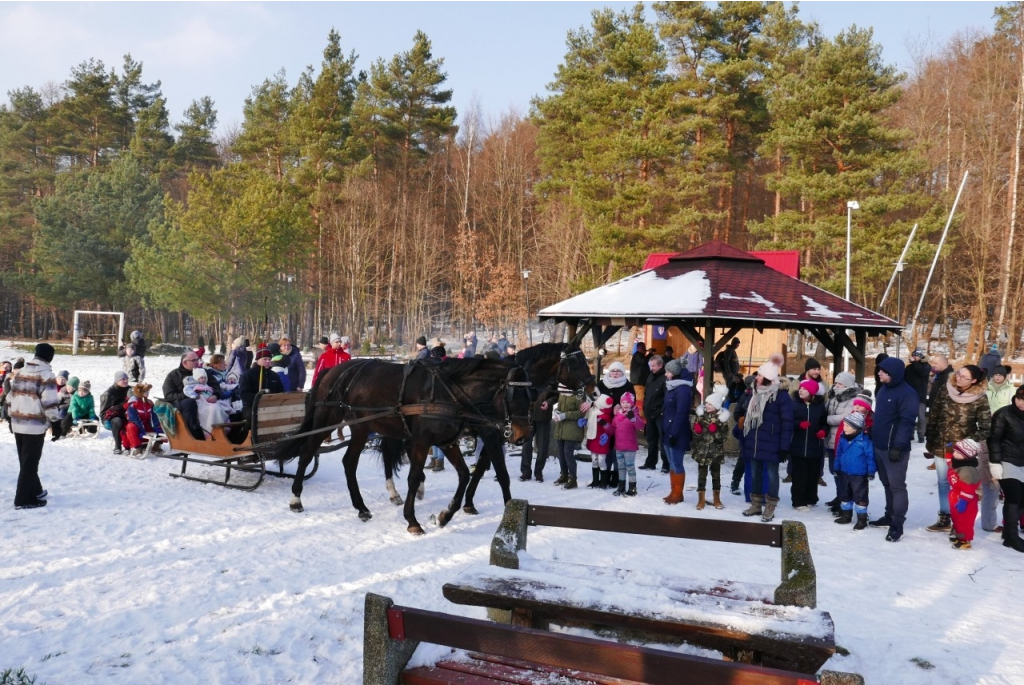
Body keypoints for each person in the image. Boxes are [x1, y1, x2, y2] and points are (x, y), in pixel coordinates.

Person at [924, 364, 991, 535]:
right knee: (943, 482)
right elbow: (935, 414)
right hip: (941, 444)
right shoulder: (946, 389)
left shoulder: (980, 398)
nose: (959, 378)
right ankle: (944, 517)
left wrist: (968, 444)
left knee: (960, 486)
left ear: (974, 381)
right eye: (959, 374)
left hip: (962, 452)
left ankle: (958, 521)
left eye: (964, 377)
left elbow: (985, 427)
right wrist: (930, 438)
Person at [869, 357, 921, 542]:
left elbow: (907, 422)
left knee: (897, 486)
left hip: (895, 449)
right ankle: (889, 515)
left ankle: (897, 524)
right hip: (879, 445)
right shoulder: (883, 390)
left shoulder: (908, 394)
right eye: (879, 370)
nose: (879, 373)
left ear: (894, 374)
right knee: (886, 484)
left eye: (883, 371)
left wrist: (898, 447)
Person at [739, 353, 792, 522]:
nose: (757, 378)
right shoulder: (755, 393)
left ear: (769, 378)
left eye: (760, 375)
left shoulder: (781, 396)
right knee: (755, 473)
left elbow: (787, 422)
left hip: (772, 442)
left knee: (771, 474)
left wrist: (784, 446)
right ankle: (756, 504)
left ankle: (770, 506)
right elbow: (747, 415)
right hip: (754, 441)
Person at [8, 343, 61, 509]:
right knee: (30, 463)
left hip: (18, 422)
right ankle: (23, 500)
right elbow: (50, 403)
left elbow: (10, 397)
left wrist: (10, 418)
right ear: (49, 357)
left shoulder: (21, 372)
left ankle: (36, 490)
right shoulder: (46, 375)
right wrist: (56, 423)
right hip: (34, 425)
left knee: (26, 461)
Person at [988, 385, 1024, 552]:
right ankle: (1011, 536)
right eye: (1019, 398)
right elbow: (994, 439)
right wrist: (995, 462)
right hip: (1007, 459)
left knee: (1021, 498)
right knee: (1014, 496)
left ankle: (1009, 532)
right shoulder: (1004, 414)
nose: (1021, 403)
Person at [593, 361, 634, 487]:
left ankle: (616, 476)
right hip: (603, 421)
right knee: (603, 448)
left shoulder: (628, 385)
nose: (615, 374)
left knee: (616, 448)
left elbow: (631, 401)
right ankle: (602, 476)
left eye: (618, 371)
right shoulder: (601, 384)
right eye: (613, 371)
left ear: (622, 373)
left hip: (619, 421)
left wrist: (620, 406)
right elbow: (594, 398)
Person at [833, 412, 876, 530]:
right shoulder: (842, 438)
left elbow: (870, 457)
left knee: (860, 495)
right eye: (844, 425)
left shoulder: (864, 440)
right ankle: (846, 516)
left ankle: (862, 519)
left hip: (859, 474)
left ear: (856, 428)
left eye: (847, 426)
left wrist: (871, 471)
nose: (844, 428)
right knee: (845, 494)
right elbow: (838, 454)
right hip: (844, 472)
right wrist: (836, 467)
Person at [824, 372, 860, 513]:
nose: (836, 385)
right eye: (836, 383)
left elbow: (846, 417)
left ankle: (844, 498)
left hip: (841, 439)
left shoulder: (852, 398)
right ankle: (839, 496)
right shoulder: (833, 395)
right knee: (834, 470)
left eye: (840, 384)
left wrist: (827, 419)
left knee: (842, 472)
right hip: (831, 439)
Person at [790, 379, 827, 511]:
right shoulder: (793, 404)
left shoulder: (820, 406)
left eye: (804, 389)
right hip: (797, 446)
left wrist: (823, 431)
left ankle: (811, 498)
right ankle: (798, 502)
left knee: (813, 475)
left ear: (812, 393)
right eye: (800, 388)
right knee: (799, 475)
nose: (801, 390)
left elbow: (824, 422)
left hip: (815, 446)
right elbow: (788, 422)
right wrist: (798, 425)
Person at [661, 359, 694, 505]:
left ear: (674, 373)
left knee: (677, 462)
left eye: (668, 371)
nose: (665, 374)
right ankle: (673, 490)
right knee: (671, 463)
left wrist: (673, 432)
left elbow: (681, 413)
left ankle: (678, 493)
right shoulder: (672, 386)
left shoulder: (683, 389)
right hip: (668, 429)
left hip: (677, 431)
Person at [691, 392, 729, 510]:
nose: (707, 405)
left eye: (710, 404)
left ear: (717, 406)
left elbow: (724, 437)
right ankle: (701, 499)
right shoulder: (701, 416)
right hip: (702, 452)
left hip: (715, 453)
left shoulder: (722, 419)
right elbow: (696, 436)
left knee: (716, 476)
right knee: (701, 476)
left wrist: (715, 432)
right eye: (706, 403)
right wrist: (697, 431)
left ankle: (716, 499)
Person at [945, 438, 982, 550]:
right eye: (955, 451)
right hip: (955, 496)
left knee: (965, 521)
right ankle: (958, 535)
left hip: (966, 501)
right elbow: (949, 461)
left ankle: (965, 540)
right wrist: (948, 449)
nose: (954, 454)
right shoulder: (958, 462)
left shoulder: (968, 470)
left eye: (958, 452)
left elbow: (969, 487)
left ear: (966, 456)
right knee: (956, 518)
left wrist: (963, 501)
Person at [162, 351, 205, 440]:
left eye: (198, 359)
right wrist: (187, 395)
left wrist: (216, 395)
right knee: (189, 403)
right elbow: (168, 395)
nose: (198, 362)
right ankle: (196, 434)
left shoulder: (203, 372)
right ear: (185, 362)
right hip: (183, 402)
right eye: (194, 360)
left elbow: (215, 384)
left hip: (206, 398)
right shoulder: (173, 375)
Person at [608, 391, 644, 497]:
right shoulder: (617, 416)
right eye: (623, 402)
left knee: (630, 467)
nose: (625, 405)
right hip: (619, 446)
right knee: (621, 467)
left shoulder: (635, 414)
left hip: (629, 447)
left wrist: (632, 418)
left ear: (632, 403)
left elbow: (640, 425)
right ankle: (621, 487)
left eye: (628, 402)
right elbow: (612, 429)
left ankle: (632, 488)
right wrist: (605, 425)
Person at [551, 383, 584, 490]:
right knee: (561, 454)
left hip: (572, 428)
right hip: (560, 428)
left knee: (568, 453)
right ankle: (564, 475)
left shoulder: (578, 394)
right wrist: (556, 411)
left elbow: (581, 413)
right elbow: (559, 407)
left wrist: (565, 415)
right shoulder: (562, 394)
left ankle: (573, 479)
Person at [239, 348, 285, 424]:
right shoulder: (248, 375)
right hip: (252, 406)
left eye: (269, 359)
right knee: (253, 417)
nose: (267, 361)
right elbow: (244, 394)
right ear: (257, 360)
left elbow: (280, 392)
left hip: (271, 406)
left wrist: (273, 399)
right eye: (265, 359)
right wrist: (259, 398)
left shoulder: (274, 376)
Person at [184, 367, 231, 437]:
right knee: (213, 409)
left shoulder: (207, 385)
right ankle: (210, 431)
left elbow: (215, 387)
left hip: (210, 401)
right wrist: (194, 395)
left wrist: (215, 395)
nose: (203, 379)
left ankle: (221, 430)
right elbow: (187, 390)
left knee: (219, 408)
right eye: (201, 378)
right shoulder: (194, 385)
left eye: (204, 378)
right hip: (200, 401)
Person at [640, 355, 668, 472]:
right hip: (649, 412)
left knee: (663, 440)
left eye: (653, 366)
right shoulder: (651, 376)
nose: (651, 368)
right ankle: (650, 462)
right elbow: (647, 393)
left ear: (660, 365)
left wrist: (661, 411)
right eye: (650, 366)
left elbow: (667, 397)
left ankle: (666, 464)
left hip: (660, 414)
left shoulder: (666, 378)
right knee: (651, 439)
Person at [519, 394, 553, 483]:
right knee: (526, 443)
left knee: (542, 446)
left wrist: (548, 402)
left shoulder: (552, 381)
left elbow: (556, 395)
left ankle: (538, 472)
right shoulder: (530, 380)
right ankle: (526, 471)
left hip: (544, 416)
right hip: (530, 415)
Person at [926, 354, 955, 459]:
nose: (933, 366)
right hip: (935, 411)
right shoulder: (939, 375)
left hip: (943, 414)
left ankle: (945, 459)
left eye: (936, 363)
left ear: (944, 363)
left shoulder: (949, 377)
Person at [122, 383, 164, 456]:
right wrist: (142, 430)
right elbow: (134, 419)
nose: (147, 393)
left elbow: (154, 416)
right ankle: (137, 447)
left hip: (146, 423)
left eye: (148, 392)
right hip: (136, 424)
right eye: (145, 392)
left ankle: (157, 445)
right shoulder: (133, 404)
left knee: (163, 425)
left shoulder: (149, 403)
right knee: (131, 427)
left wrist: (157, 427)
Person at [584, 395, 614, 489]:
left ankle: (603, 482)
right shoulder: (593, 413)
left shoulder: (605, 416)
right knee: (594, 460)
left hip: (601, 442)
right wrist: (585, 422)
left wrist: (606, 433)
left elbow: (610, 429)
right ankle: (595, 481)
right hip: (593, 440)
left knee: (601, 461)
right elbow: (590, 423)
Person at [100, 371, 132, 454]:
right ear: (117, 381)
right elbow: (104, 412)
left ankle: (137, 444)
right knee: (118, 421)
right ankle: (117, 446)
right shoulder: (109, 394)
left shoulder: (130, 390)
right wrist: (105, 420)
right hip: (111, 417)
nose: (125, 381)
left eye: (126, 379)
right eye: (122, 379)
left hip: (127, 413)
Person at [904, 349, 931, 443]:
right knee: (910, 416)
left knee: (921, 417)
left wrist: (915, 363)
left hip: (920, 396)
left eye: (916, 356)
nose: (914, 357)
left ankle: (921, 435)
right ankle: (910, 434)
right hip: (910, 396)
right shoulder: (909, 368)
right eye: (914, 355)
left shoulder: (926, 366)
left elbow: (921, 372)